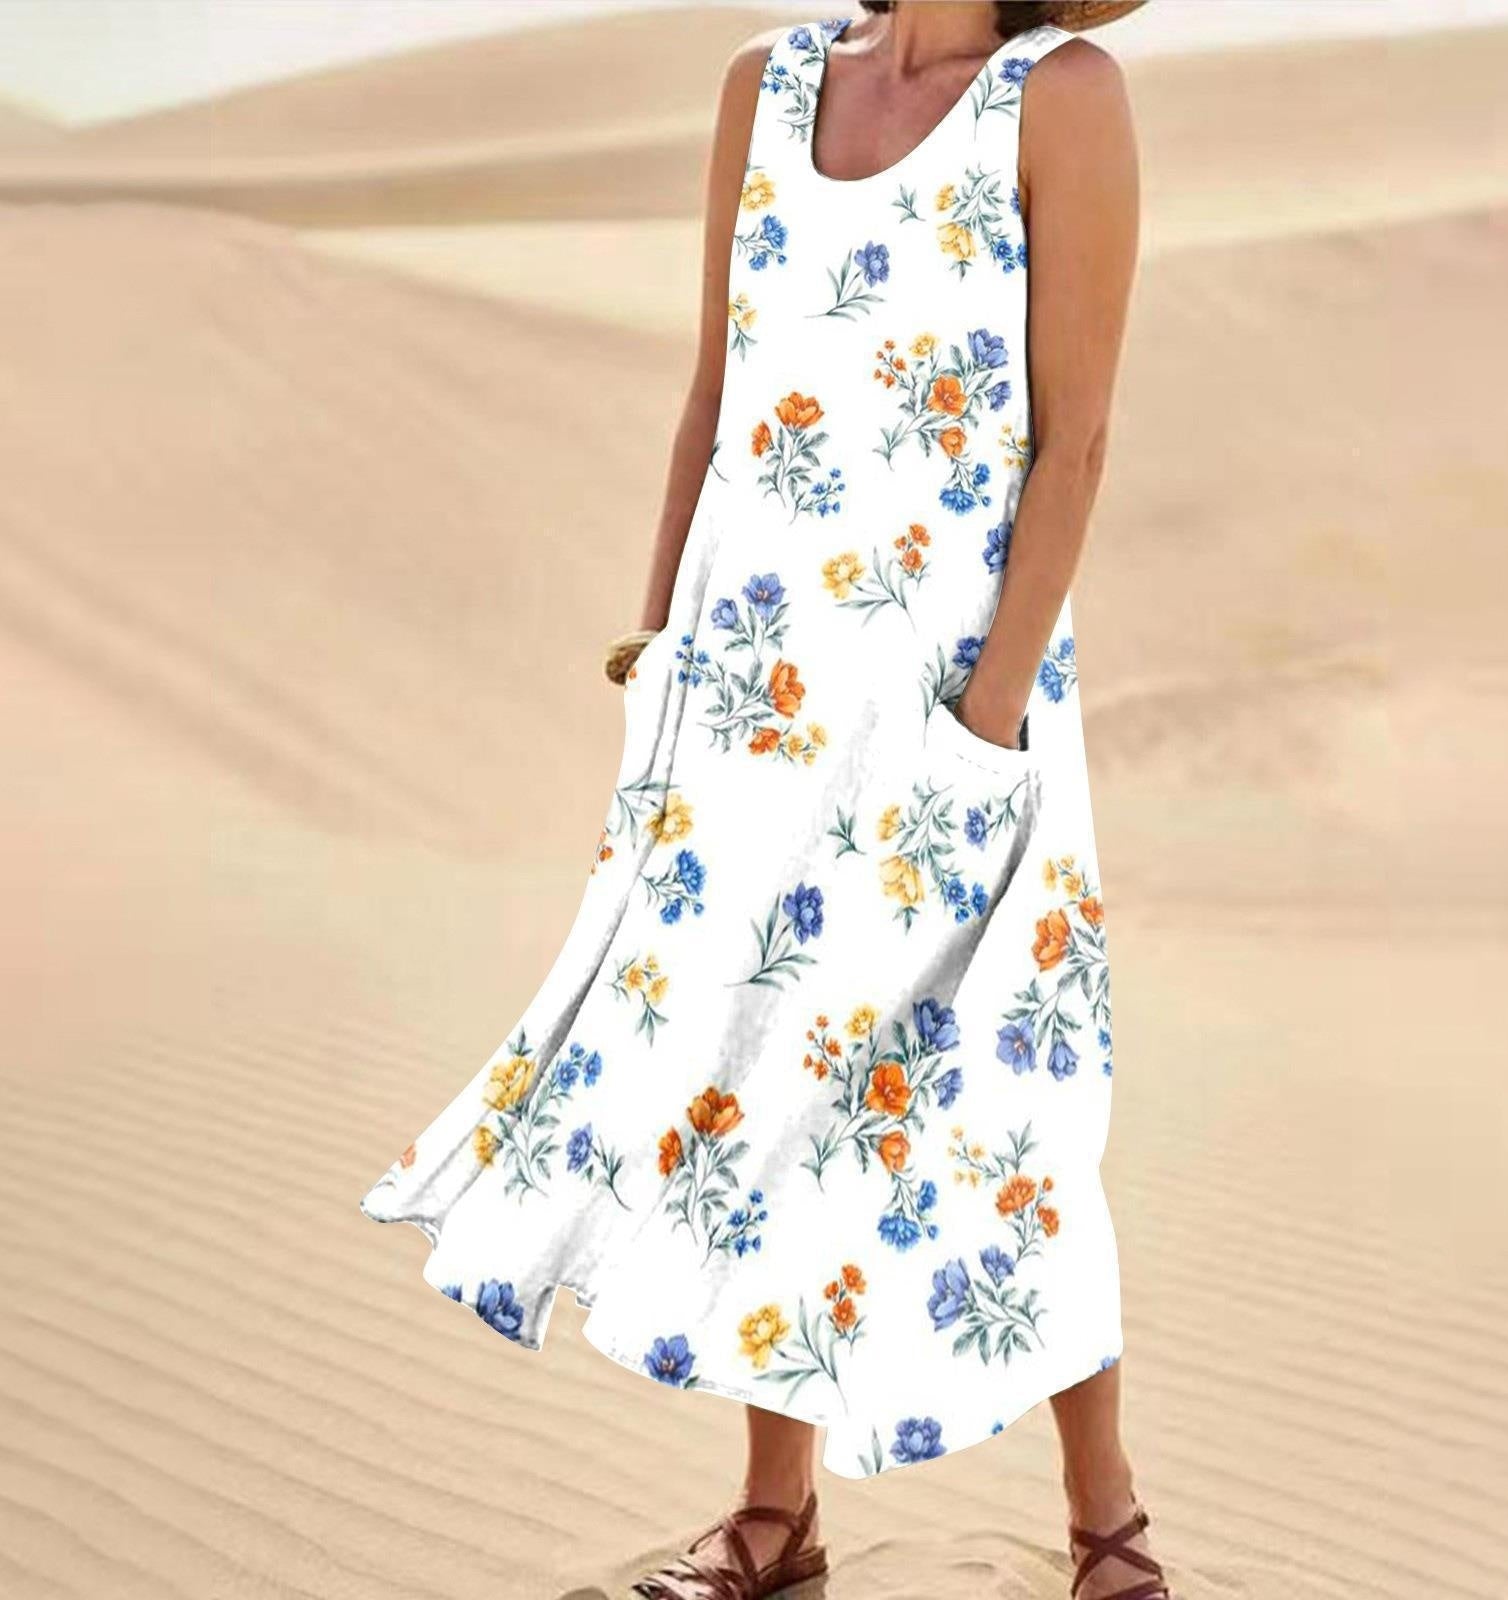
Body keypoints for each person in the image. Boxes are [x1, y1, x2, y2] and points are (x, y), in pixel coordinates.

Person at [364, 5, 1166, 1597]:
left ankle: (1108, 1521)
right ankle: (775, 1519)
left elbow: (1072, 443)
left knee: (1009, 1097)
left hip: (960, 705)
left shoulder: (1060, 98)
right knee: (765, 1083)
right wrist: (659, 653)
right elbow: (716, 396)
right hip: (752, 696)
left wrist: (983, 727)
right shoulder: (769, 81)